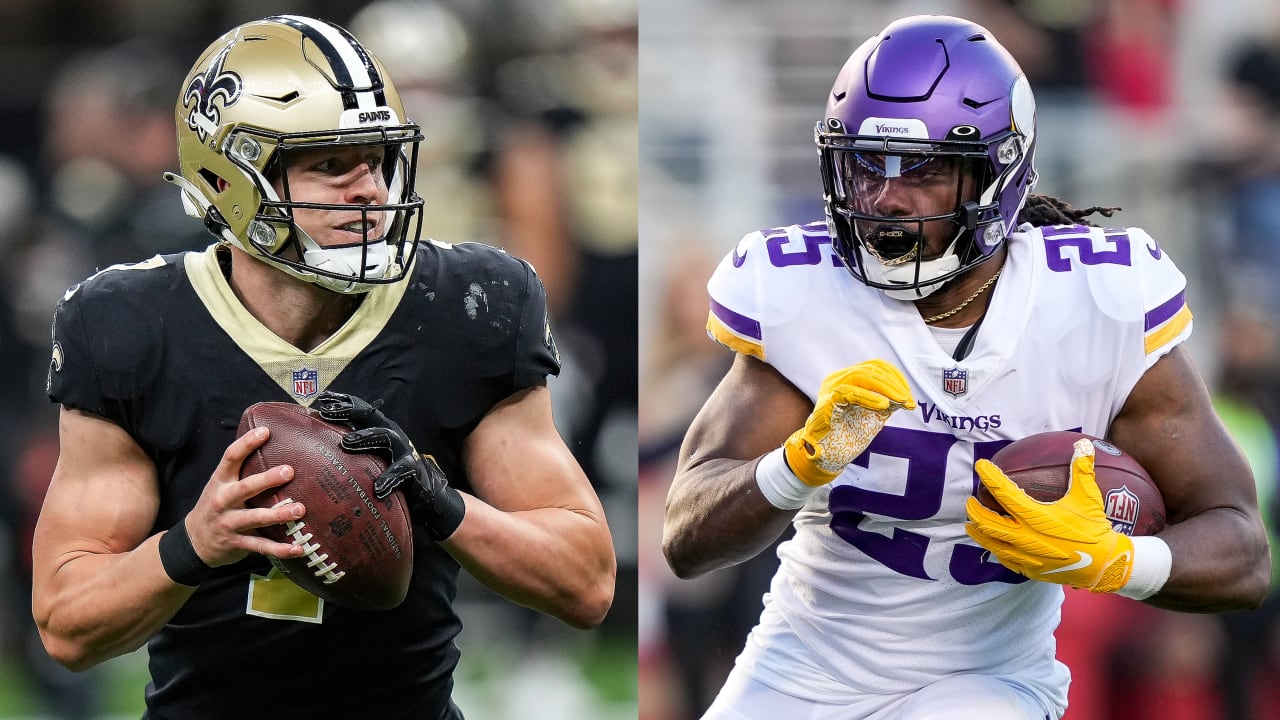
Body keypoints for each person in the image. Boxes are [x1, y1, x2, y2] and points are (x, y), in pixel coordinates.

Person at [662, 14, 1270, 720]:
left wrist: (1119, 562)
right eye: (866, 163)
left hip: (989, 682)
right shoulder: (806, 293)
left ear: (996, 173)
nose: (886, 197)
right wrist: (800, 465)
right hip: (807, 665)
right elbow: (685, 537)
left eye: (921, 168)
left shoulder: (1096, 302)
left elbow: (1243, 549)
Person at [30, 15, 615, 719]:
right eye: (332, 165)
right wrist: (198, 543)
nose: (369, 190)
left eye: (378, 159)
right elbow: (67, 623)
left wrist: (442, 503)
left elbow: (587, 583)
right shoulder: (130, 323)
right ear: (231, 177)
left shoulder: (468, 305)